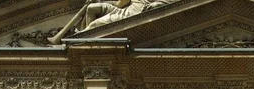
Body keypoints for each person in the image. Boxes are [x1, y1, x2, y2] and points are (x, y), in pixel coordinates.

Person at [48, 0, 179, 45]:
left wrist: (155, 4)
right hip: (123, 10)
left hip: (131, 15)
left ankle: (81, 39)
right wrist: (99, 1)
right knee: (91, 8)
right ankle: (84, 39)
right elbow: (119, 3)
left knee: (94, 25)